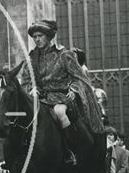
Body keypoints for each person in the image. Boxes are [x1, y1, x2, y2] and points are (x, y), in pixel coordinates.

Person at [23, 20, 105, 165]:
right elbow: (25, 79)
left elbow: (79, 78)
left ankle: (70, 152)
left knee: (60, 112)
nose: (37, 39)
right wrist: (31, 88)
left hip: (62, 97)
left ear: (48, 36)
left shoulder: (65, 55)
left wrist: (73, 90)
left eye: (40, 35)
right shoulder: (31, 58)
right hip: (40, 98)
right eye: (34, 36)